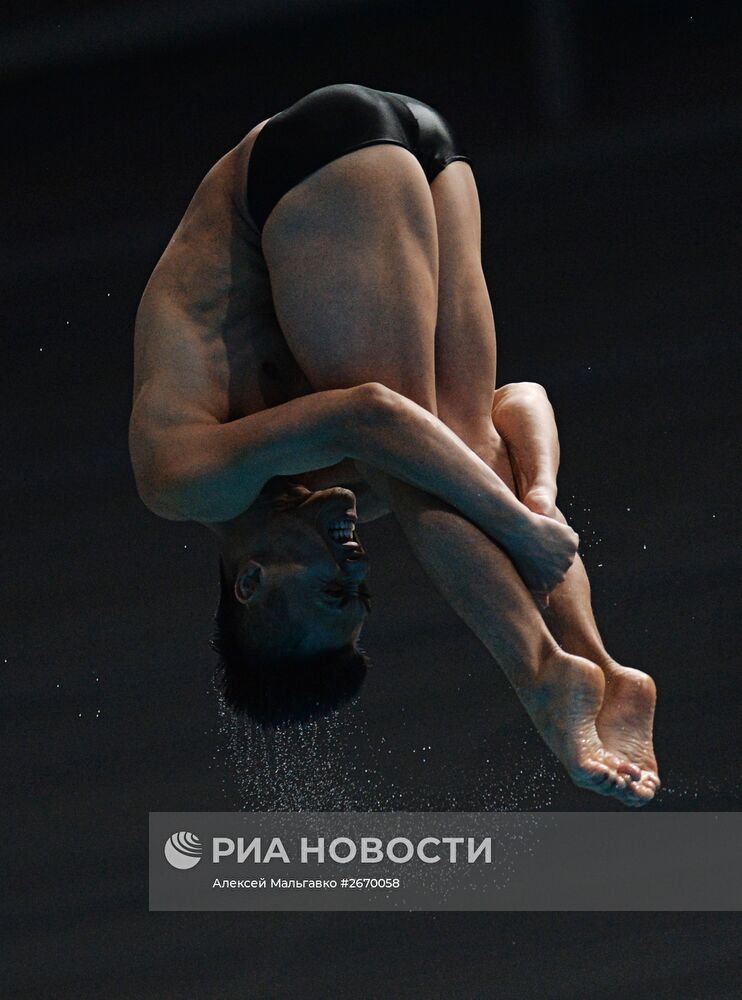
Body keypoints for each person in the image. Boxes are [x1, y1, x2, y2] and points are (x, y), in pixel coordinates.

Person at [129, 84, 659, 805]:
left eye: (331, 587)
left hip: (307, 167)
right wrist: (537, 497)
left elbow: (372, 411)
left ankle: (540, 677)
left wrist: (516, 530)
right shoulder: (332, 484)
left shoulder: (186, 481)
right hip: (421, 149)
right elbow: (518, 404)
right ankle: (601, 665)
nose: (356, 562)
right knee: (457, 449)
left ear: (251, 582)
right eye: (362, 590)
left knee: (411, 461)